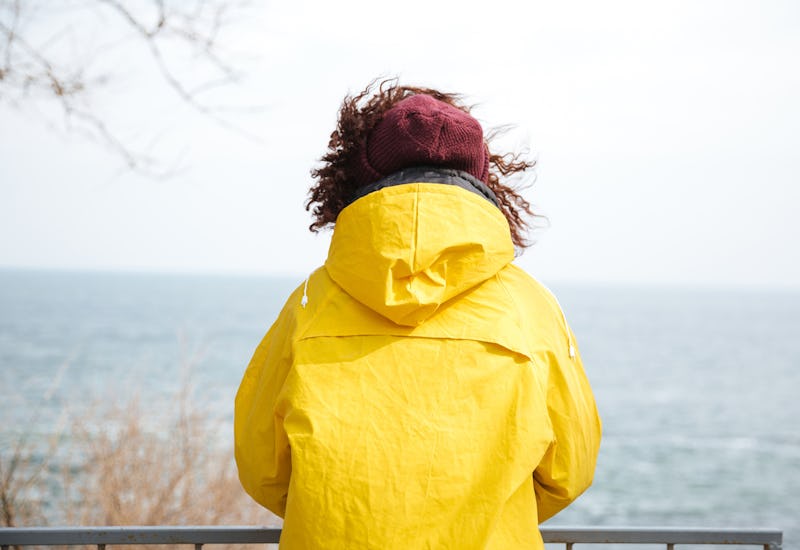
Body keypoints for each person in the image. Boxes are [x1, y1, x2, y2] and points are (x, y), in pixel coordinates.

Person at [234, 80, 601, 550]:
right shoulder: (530, 307)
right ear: (483, 177)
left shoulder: (310, 302)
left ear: (358, 178)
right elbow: (570, 469)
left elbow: (261, 466)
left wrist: (337, 513)